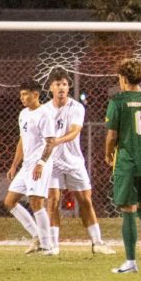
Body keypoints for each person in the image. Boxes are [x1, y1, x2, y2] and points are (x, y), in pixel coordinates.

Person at [39, 67, 115, 255]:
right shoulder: (44, 110)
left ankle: (97, 243)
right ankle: (53, 246)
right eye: (58, 84)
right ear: (51, 88)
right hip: (52, 162)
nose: (62, 88)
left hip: (73, 162)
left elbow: (74, 131)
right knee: (53, 201)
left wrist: (56, 141)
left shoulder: (76, 107)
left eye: (64, 84)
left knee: (85, 201)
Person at [104, 58, 141, 274]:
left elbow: (112, 135)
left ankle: (130, 262)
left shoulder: (118, 102)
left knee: (128, 210)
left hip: (127, 164)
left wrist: (108, 153)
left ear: (122, 78)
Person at [3, 79, 55, 254]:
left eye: (25, 94)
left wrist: (41, 163)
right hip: (26, 166)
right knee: (10, 202)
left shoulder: (45, 114)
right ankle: (37, 236)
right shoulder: (23, 114)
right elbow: (22, 140)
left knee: (36, 202)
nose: (22, 98)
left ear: (36, 94)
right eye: (21, 95)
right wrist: (14, 165)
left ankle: (47, 246)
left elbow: (50, 142)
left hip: (39, 165)